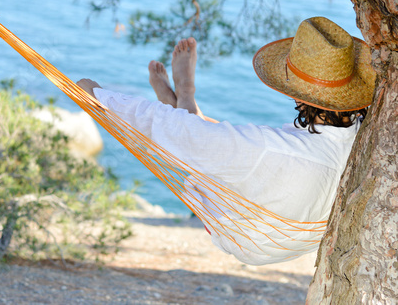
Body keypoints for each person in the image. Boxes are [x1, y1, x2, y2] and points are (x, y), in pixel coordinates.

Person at [76, 17, 376, 264]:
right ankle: (186, 100)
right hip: (304, 235)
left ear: (296, 92)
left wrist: (101, 97)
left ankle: (184, 103)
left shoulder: (267, 149)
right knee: (222, 143)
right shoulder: (367, 135)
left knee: (199, 141)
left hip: (252, 237)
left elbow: (178, 132)